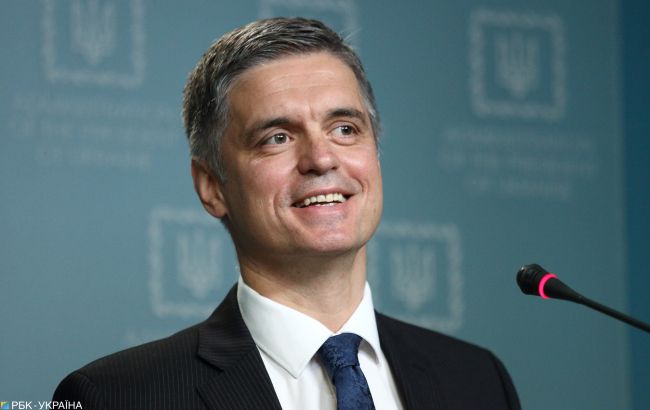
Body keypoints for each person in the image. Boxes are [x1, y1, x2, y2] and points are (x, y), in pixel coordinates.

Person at [54, 17, 520, 409]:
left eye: (345, 129)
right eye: (277, 138)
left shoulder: (478, 380)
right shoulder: (115, 397)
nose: (321, 158)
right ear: (211, 186)